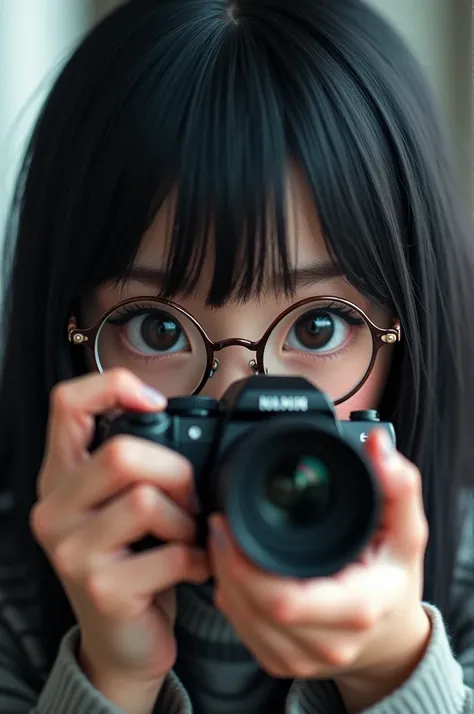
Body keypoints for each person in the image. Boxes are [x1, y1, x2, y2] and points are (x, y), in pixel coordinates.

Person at [0, 0, 473, 712]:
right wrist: (110, 680)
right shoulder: (13, 601)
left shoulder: (466, 576)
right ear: (68, 333)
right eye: (159, 330)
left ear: (408, 328)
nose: (238, 400)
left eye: (318, 328)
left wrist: (396, 672)